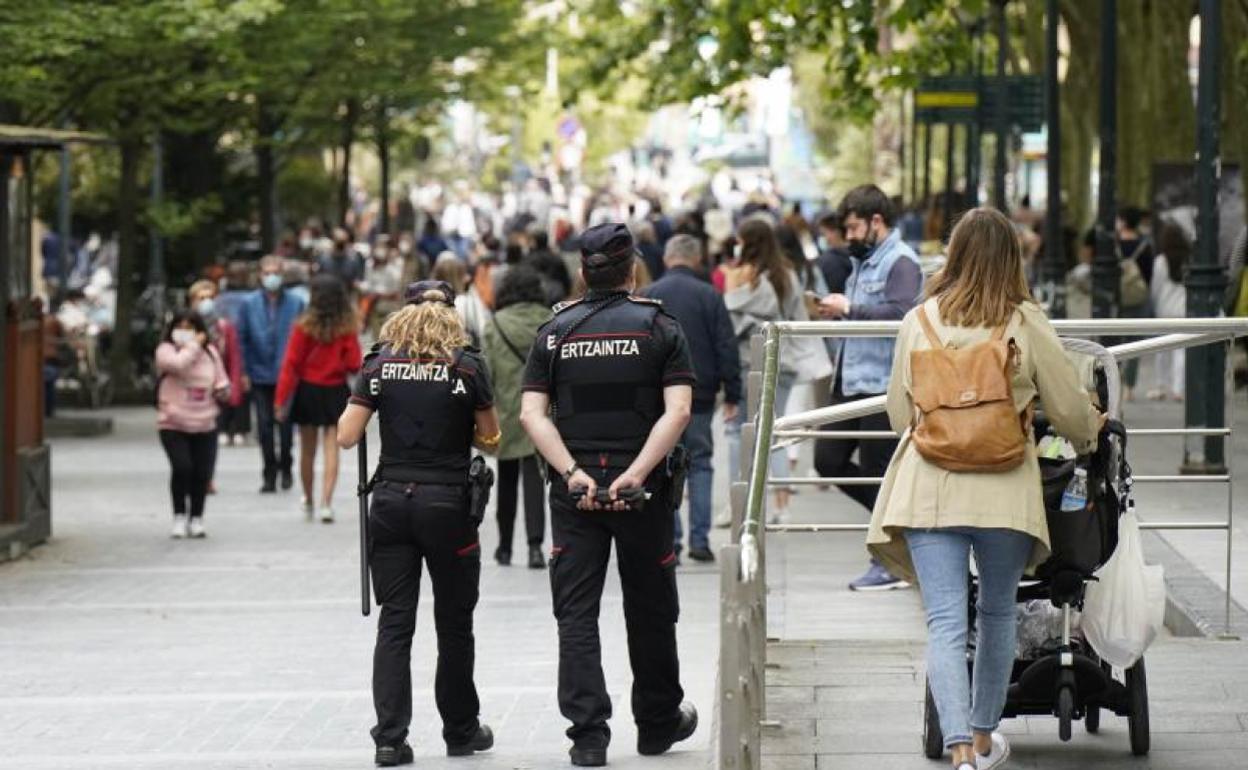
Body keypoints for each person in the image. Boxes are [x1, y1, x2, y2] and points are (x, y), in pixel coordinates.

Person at [867, 207, 1101, 770]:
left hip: (930, 488)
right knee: (996, 614)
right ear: (1011, 258)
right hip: (1004, 490)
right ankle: (980, 736)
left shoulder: (919, 320)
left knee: (946, 623)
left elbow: (900, 415)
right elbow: (1069, 409)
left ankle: (956, 753)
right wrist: (1090, 433)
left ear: (955, 254)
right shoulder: (1025, 320)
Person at [519, 223, 699, 767]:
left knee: (576, 613)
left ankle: (588, 736)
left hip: (576, 495)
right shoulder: (659, 328)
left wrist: (573, 471)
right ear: (633, 270)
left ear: (582, 272)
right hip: (642, 493)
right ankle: (657, 723)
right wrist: (639, 472)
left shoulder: (555, 333)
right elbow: (680, 411)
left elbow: (531, 414)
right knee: (651, 608)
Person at [338, 280, 499, 767]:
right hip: (447, 505)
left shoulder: (378, 366)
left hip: (390, 502)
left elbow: (347, 436)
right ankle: (460, 729)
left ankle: (390, 737)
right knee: (454, 624)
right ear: (451, 317)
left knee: (396, 623)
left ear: (401, 315)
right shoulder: (467, 367)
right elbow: (490, 438)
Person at [815, 184, 922, 591]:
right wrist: (839, 314)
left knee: (878, 473)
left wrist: (850, 309)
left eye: (854, 227)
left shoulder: (901, 262)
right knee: (828, 460)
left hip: (881, 386)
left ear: (877, 221)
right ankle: (901, 533)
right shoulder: (866, 260)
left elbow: (901, 314)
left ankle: (890, 557)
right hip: (852, 379)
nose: (849, 236)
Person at [642, 234, 741, 561]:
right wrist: (733, 391)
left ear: (668, 258)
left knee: (663, 464)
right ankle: (700, 539)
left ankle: (671, 539)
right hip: (699, 393)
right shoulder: (710, 295)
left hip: (658, 397)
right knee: (700, 463)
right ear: (696, 259)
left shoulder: (648, 296)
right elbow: (726, 345)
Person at [722, 217, 809, 523]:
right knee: (775, 432)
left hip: (753, 362)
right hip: (786, 362)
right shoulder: (788, 275)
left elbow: (731, 314)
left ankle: (741, 503)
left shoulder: (747, 276)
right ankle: (782, 506)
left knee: (741, 433)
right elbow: (798, 317)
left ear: (747, 241)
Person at [275, 275, 362, 522]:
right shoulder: (347, 328)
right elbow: (354, 363)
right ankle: (326, 502)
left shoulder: (303, 327)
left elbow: (291, 365)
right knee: (331, 449)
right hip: (335, 390)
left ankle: (308, 499)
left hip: (307, 390)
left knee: (307, 451)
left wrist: (280, 399)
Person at [481, 266, 551, 568]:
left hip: (508, 412)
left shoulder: (494, 325)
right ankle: (536, 546)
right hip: (543, 412)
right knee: (536, 478)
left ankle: (505, 546)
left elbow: (487, 375)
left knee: (507, 480)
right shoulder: (551, 321)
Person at [155, 311, 230, 539]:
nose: (185, 332)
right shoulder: (165, 351)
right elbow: (178, 365)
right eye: (181, 326)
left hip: (205, 421)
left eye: (191, 327)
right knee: (182, 468)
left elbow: (221, 380)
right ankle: (179, 515)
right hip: (173, 422)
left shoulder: (211, 353)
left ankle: (196, 517)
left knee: (202, 473)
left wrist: (223, 391)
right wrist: (194, 346)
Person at [237, 255, 307, 493]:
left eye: (275, 272)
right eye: (267, 272)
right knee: (265, 427)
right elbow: (242, 339)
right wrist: (244, 372)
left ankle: (286, 466)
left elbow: (303, 338)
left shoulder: (296, 302)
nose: (271, 277)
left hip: (287, 374)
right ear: (260, 275)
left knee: (286, 426)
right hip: (259, 373)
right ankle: (269, 472)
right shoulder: (249, 304)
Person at [188, 280, 246, 453]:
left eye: (211, 297)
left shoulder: (224, 327)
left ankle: (226, 428)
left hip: (219, 376)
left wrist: (236, 380)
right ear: (193, 301)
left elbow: (234, 356)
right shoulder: (186, 326)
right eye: (202, 298)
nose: (207, 302)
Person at [1148, 221, 1189, 401]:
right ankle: (1178, 389)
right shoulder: (1189, 259)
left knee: (1162, 349)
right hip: (1183, 309)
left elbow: (1155, 288)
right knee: (1181, 350)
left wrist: (1155, 306)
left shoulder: (1160, 261)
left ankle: (1161, 385)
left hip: (1165, 309)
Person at [318, 228, 364, 292]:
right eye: (338, 244)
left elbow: (357, 281)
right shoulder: (324, 259)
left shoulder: (353, 260)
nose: (339, 248)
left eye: (341, 245)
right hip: (327, 295)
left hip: (345, 296)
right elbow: (319, 279)